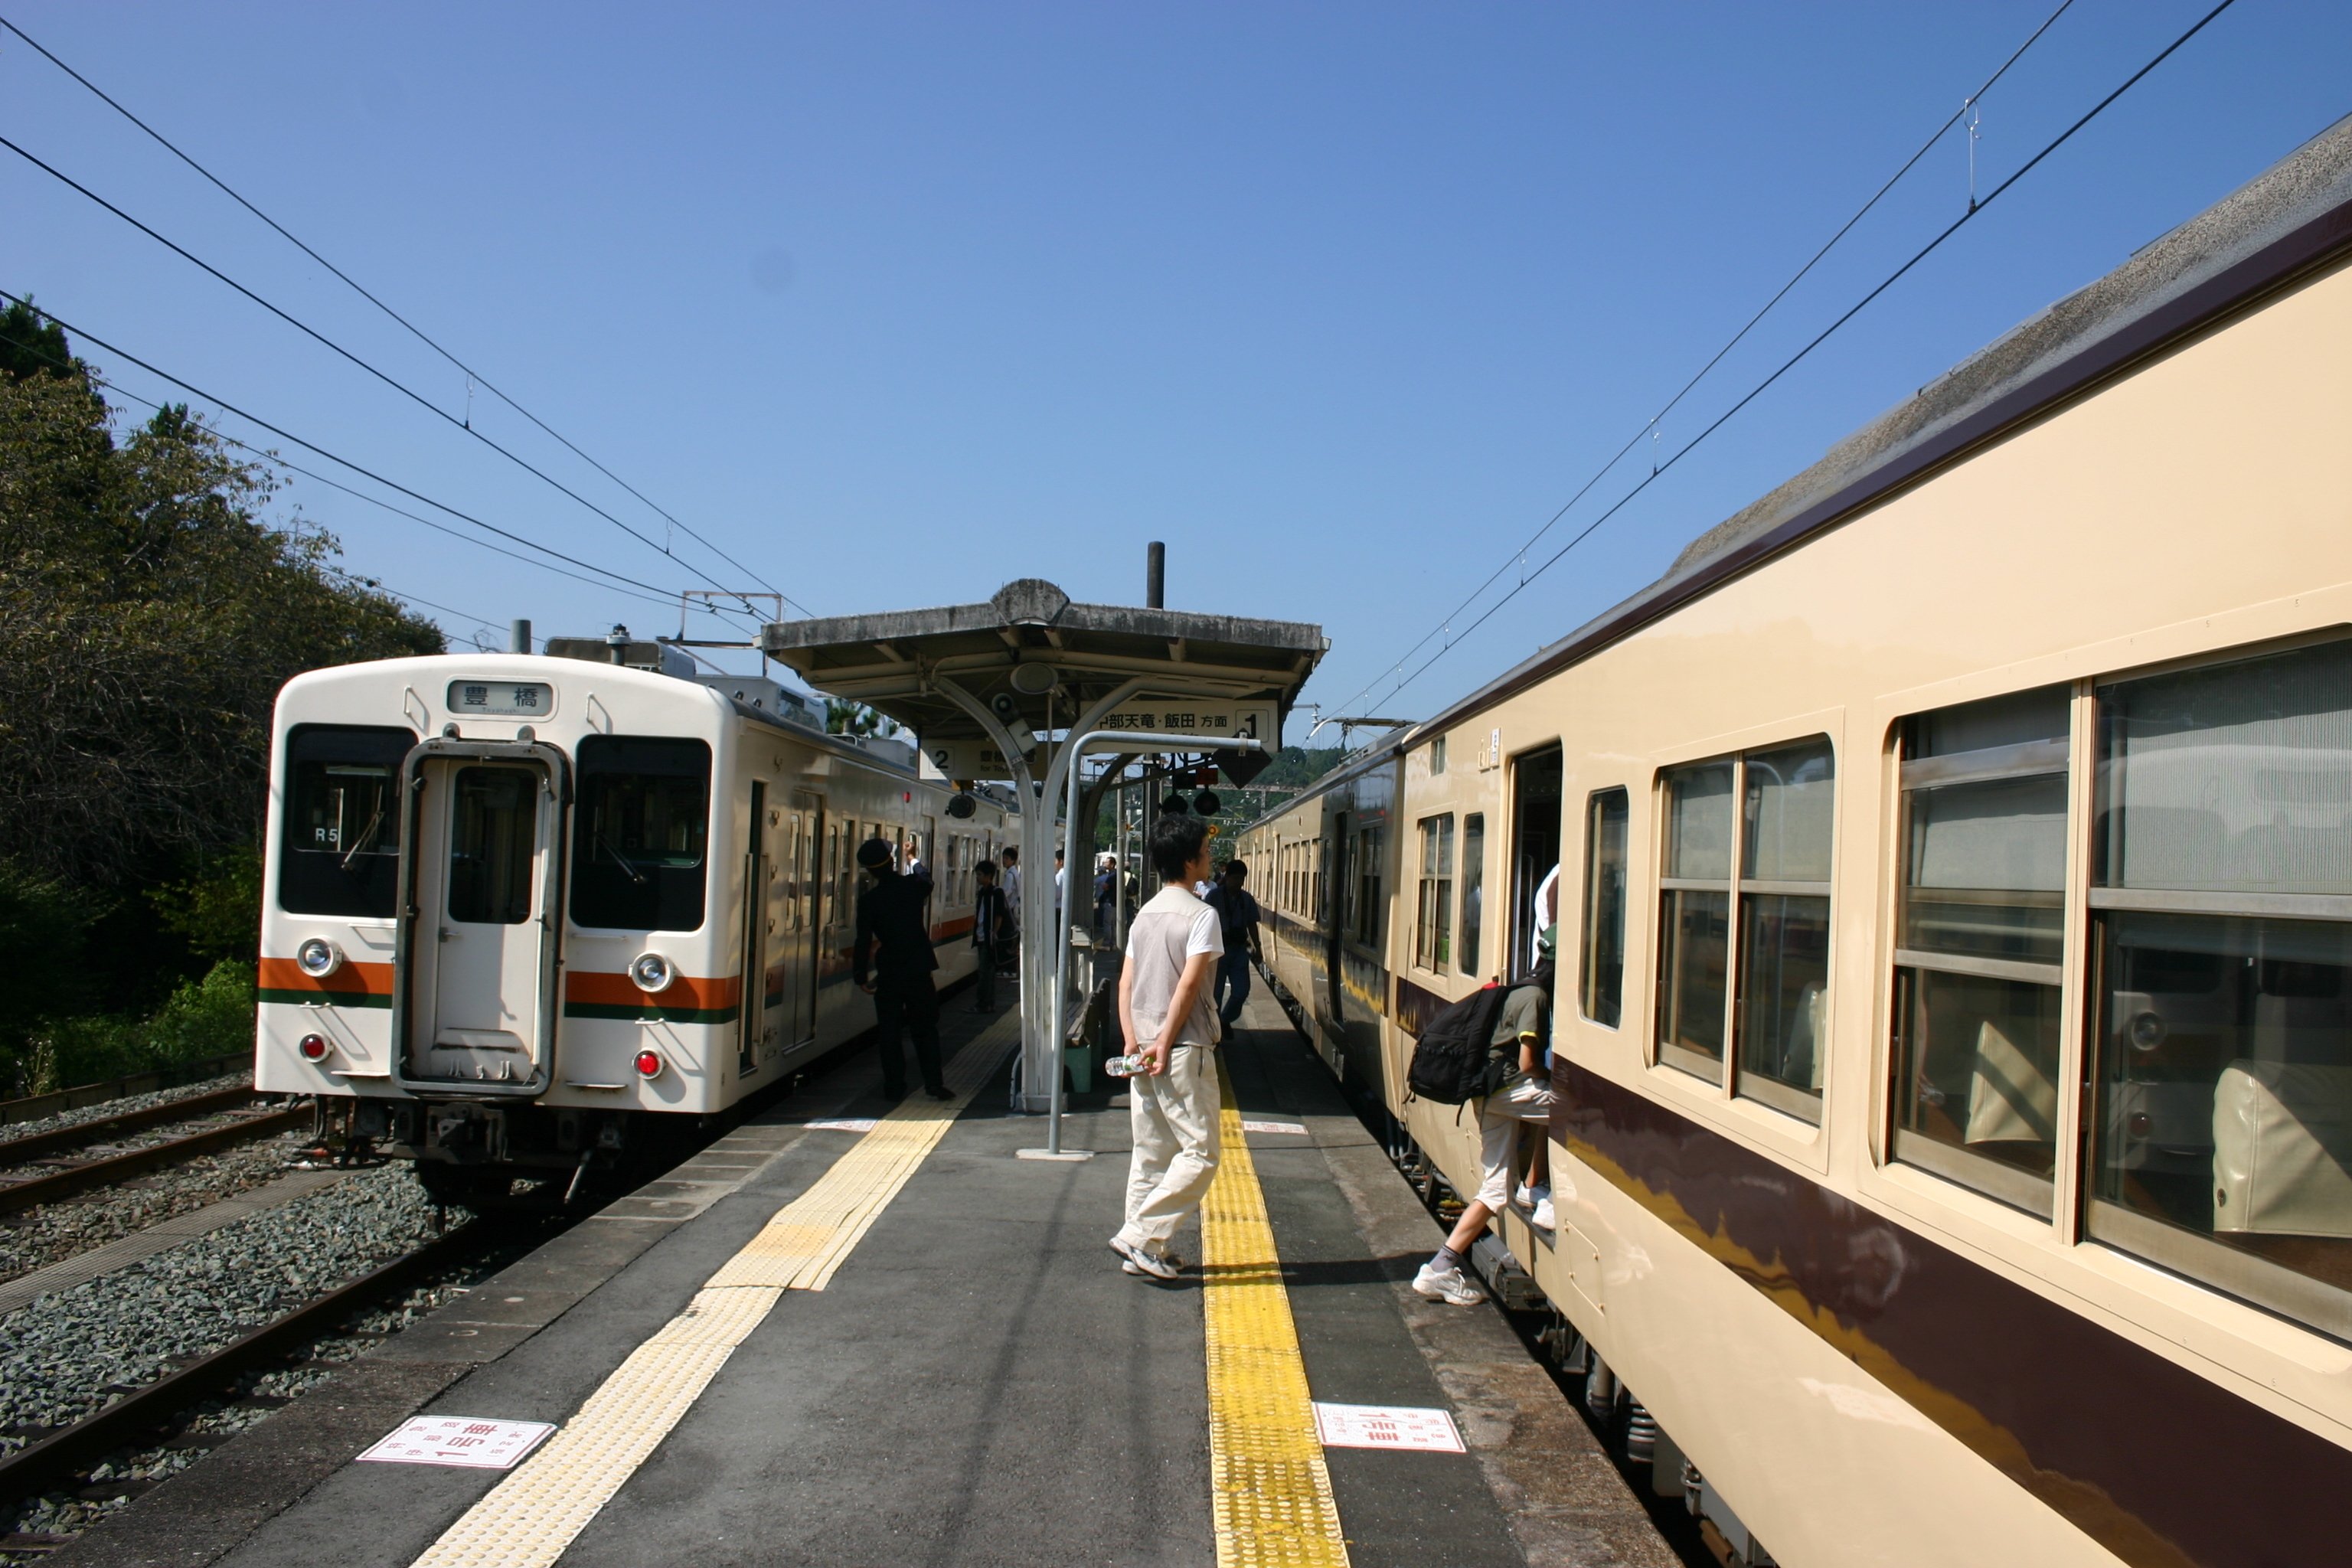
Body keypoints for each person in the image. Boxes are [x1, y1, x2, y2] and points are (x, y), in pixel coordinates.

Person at [1107, 814, 1224, 1283]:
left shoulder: (1145, 914)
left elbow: (1126, 984)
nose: (1210, 858)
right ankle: (1140, 1235)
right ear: (1190, 859)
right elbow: (1190, 986)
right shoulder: (1202, 915)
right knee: (1201, 1152)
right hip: (1183, 1046)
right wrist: (1165, 1042)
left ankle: (1143, 1248)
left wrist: (1134, 1040)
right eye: (1206, 851)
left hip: (1143, 1047)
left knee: (1151, 1152)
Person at [1413, 943, 1557, 1305]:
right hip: (1510, 1090)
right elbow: (1528, 1063)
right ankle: (1541, 1192)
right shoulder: (1536, 998)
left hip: (1487, 1094)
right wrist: (1552, 1078)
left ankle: (1439, 1268)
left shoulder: (1516, 988)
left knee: (1494, 1192)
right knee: (1580, 1114)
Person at [852, 838, 951, 1101]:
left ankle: (894, 1088)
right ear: (892, 861)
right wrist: (912, 857)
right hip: (918, 968)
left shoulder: (869, 901)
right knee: (926, 1029)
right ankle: (934, 1084)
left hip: (890, 972)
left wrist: (861, 976)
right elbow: (926, 879)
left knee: (889, 1032)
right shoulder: (911, 887)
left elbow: (862, 941)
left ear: (870, 871)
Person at [1204, 859, 1262, 1029]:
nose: (1239, 882)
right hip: (1218, 950)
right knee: (1216, 994)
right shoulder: (1214, 897)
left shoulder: (1247, 899)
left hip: (1238, 950)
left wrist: (1258, 948)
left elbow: (1252, 924)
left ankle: (1225, 1019)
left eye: (1242, 879)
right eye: (1236, 878)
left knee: (1241, 991)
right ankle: (1215, 1029)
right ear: (1227, 877)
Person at [971, 861, 1009, 1011]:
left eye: (980, 875)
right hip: (981, 936)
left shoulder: (996, 893)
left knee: (985, 971)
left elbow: (1000, 915)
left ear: (989, 876)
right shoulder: (982, 892)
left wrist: (994, 932)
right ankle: (988, 1003)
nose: (977, 878)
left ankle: (984, 1003)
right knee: (987, 971)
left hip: (988, 939)